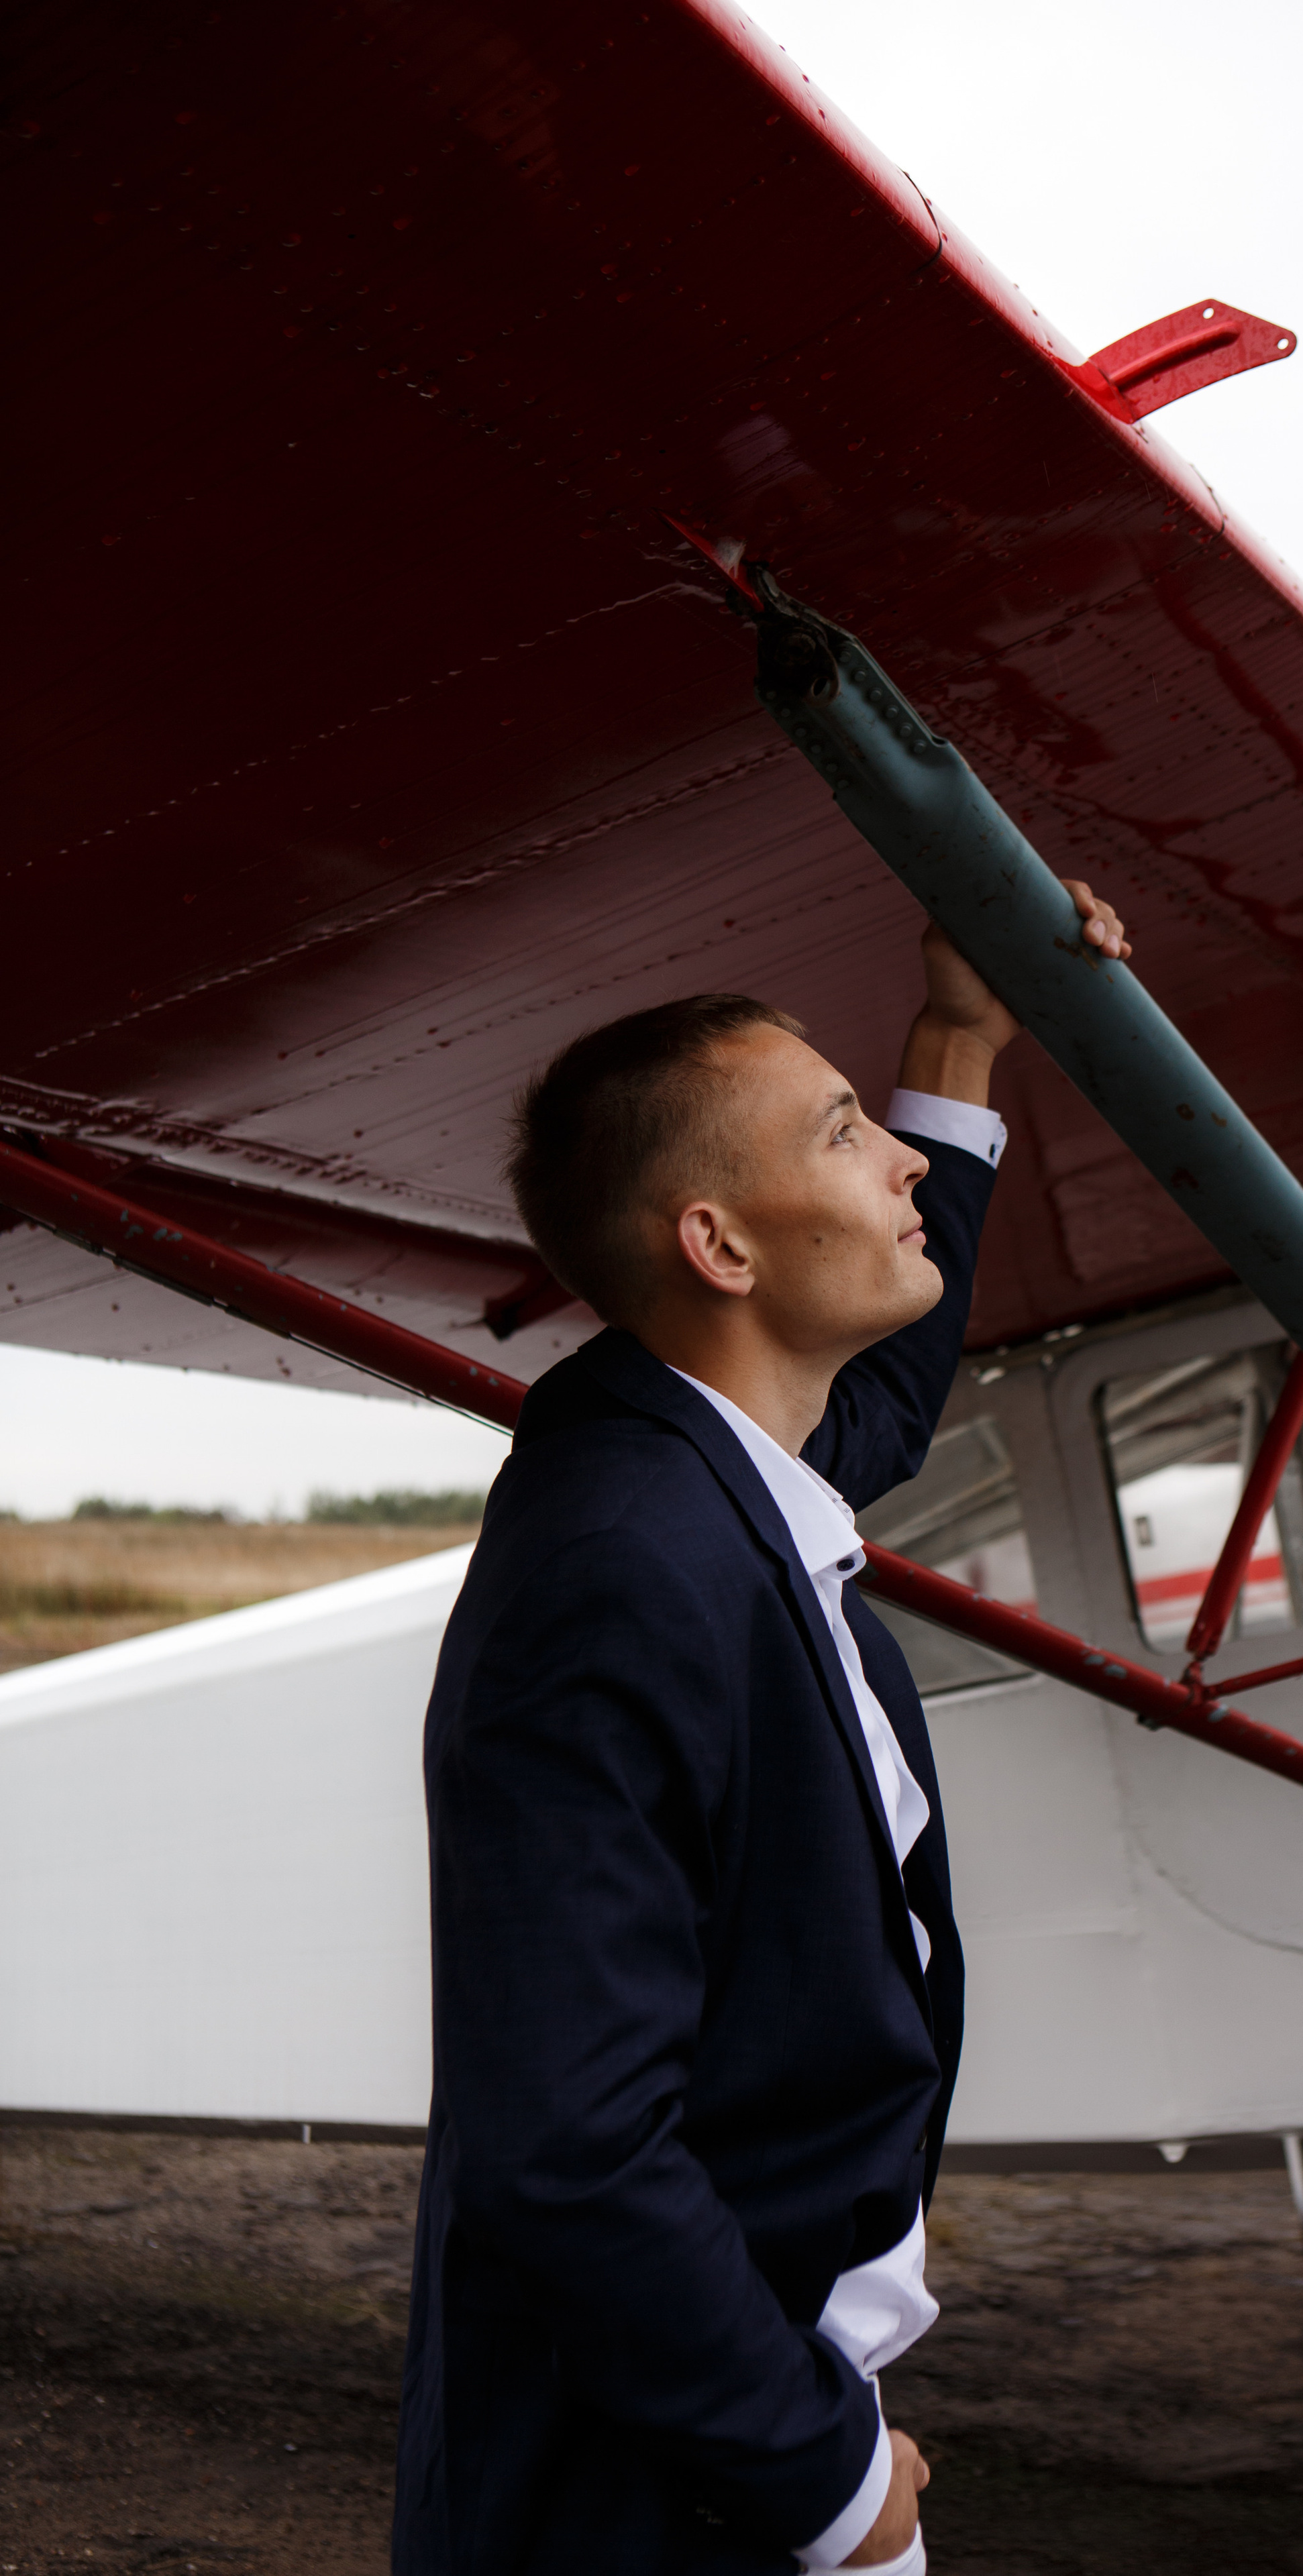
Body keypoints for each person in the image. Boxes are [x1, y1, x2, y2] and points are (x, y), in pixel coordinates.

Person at [393, 884, 1131, 2575]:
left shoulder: (697, 1458)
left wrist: (957, 1032)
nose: (904, 1167)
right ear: (720, 1247)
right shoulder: (622, 1567)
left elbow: (862, 1409)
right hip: (667, 2494)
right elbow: (569, 2152)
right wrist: (828, 2483)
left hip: (738, 2424)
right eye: (851, 1130)